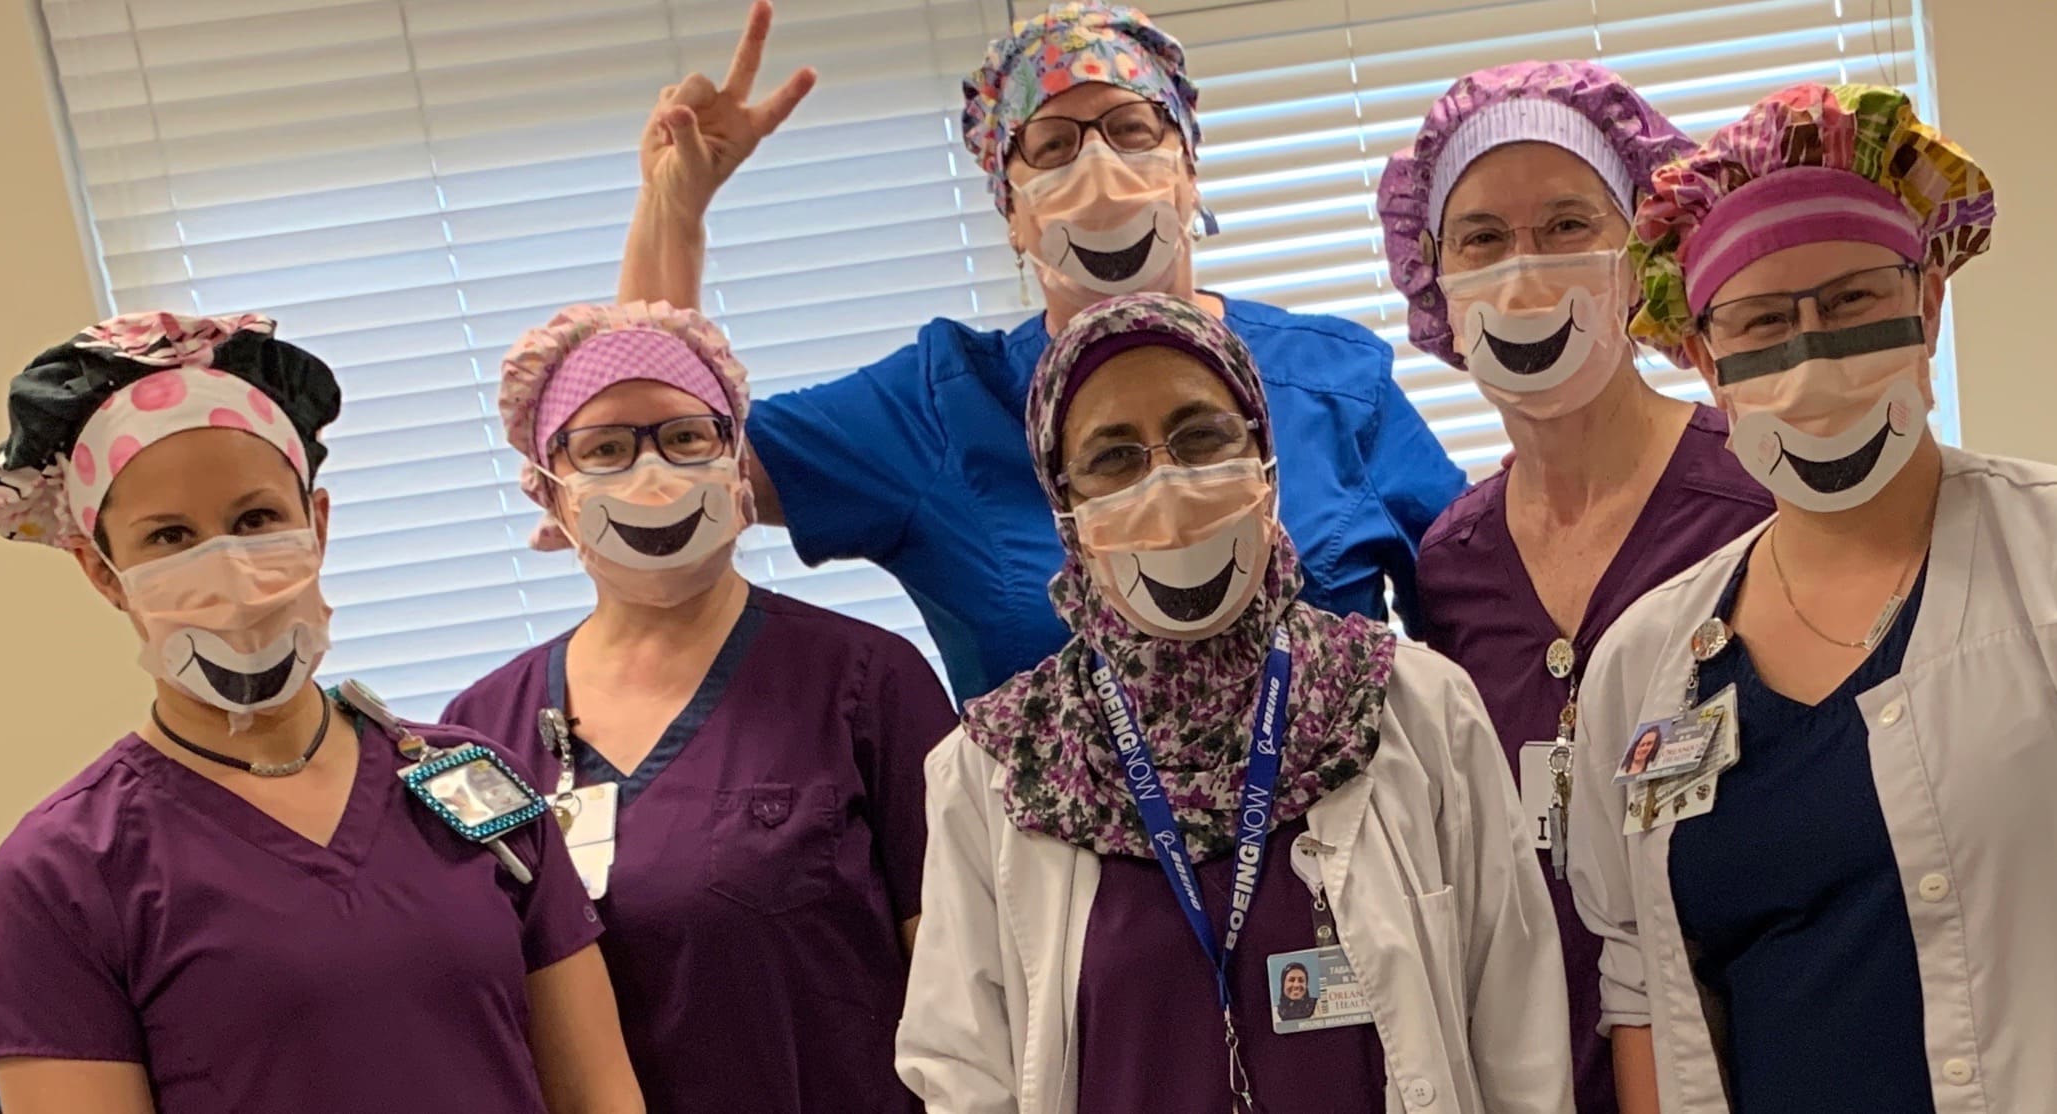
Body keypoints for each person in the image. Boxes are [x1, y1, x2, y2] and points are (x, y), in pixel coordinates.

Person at [1563, 84, 2057, 1114]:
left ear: (1926, 302)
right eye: (1759, 322)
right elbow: (1642, 983)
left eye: (1850, 302)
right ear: (1703, 358)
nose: (1813, 359)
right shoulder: (1644, 663)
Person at [619, 1, 1466, 699]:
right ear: (1012, 211)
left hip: (1356, 866)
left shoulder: (1332, 379)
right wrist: (672, 213)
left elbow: (1479, 607)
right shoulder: (939, 405)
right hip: (1069, 889)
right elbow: (656, 466)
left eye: (1131, 128)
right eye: (1052, 145)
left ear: (1188, 170)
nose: (1097, 165)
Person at [896, 293, 1568, 1114]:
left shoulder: (1407, 705)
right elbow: (964, 1078)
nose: (1168, 483)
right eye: (1113, 458)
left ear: (1263, 453)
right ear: (1063, 504)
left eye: (1201, 436)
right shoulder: (1000, 770)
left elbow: (1518, 1029)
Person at [0, 312, 643, 1114]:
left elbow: (599, 1096)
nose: (225, 565)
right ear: (102, 571)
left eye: (256, 520)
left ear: (315, 524)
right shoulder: (68, 871)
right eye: (168, 536)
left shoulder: (474, 786)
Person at [440, 302, 956, 1114]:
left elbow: (963, 987)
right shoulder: (479, 734)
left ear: (736, 456)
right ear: (549, 489)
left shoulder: (866, 681)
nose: (653, 474)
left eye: (686, 436)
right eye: (604, 448)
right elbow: (478, 999)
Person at [1377, 61, 1775, 1113]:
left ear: (1642, 250)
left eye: (1565, 226)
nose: (1523, 275)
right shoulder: (1452, 561)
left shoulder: (1757, 491)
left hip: (1763, 1040)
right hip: (1551, 1064)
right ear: (1433, 276)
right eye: (1482, 239)